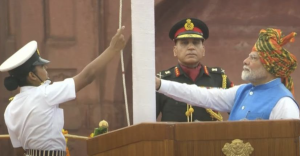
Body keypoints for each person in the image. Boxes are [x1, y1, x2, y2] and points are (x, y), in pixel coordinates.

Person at [0, 26, 126, 156]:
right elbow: (88, 76)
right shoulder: (45, 93)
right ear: (32, 76)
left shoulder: (10, 108)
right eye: (42, 66)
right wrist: (113, 49)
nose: (46, 68)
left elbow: (18, 149)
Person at [156, 28, 299, 120]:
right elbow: (199, 94)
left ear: (270, 66)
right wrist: (160, 84)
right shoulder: (242, 91)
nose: (245, 61)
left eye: (253, 58)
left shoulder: (284, 103)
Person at [156, 18, 234, 122]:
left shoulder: (219, 78)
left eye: (196, 43)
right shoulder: (163, 81)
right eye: (184, 43)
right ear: (175, 51)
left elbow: (238, 110)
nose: (191, 47)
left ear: (203, 50)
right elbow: (147, 120)